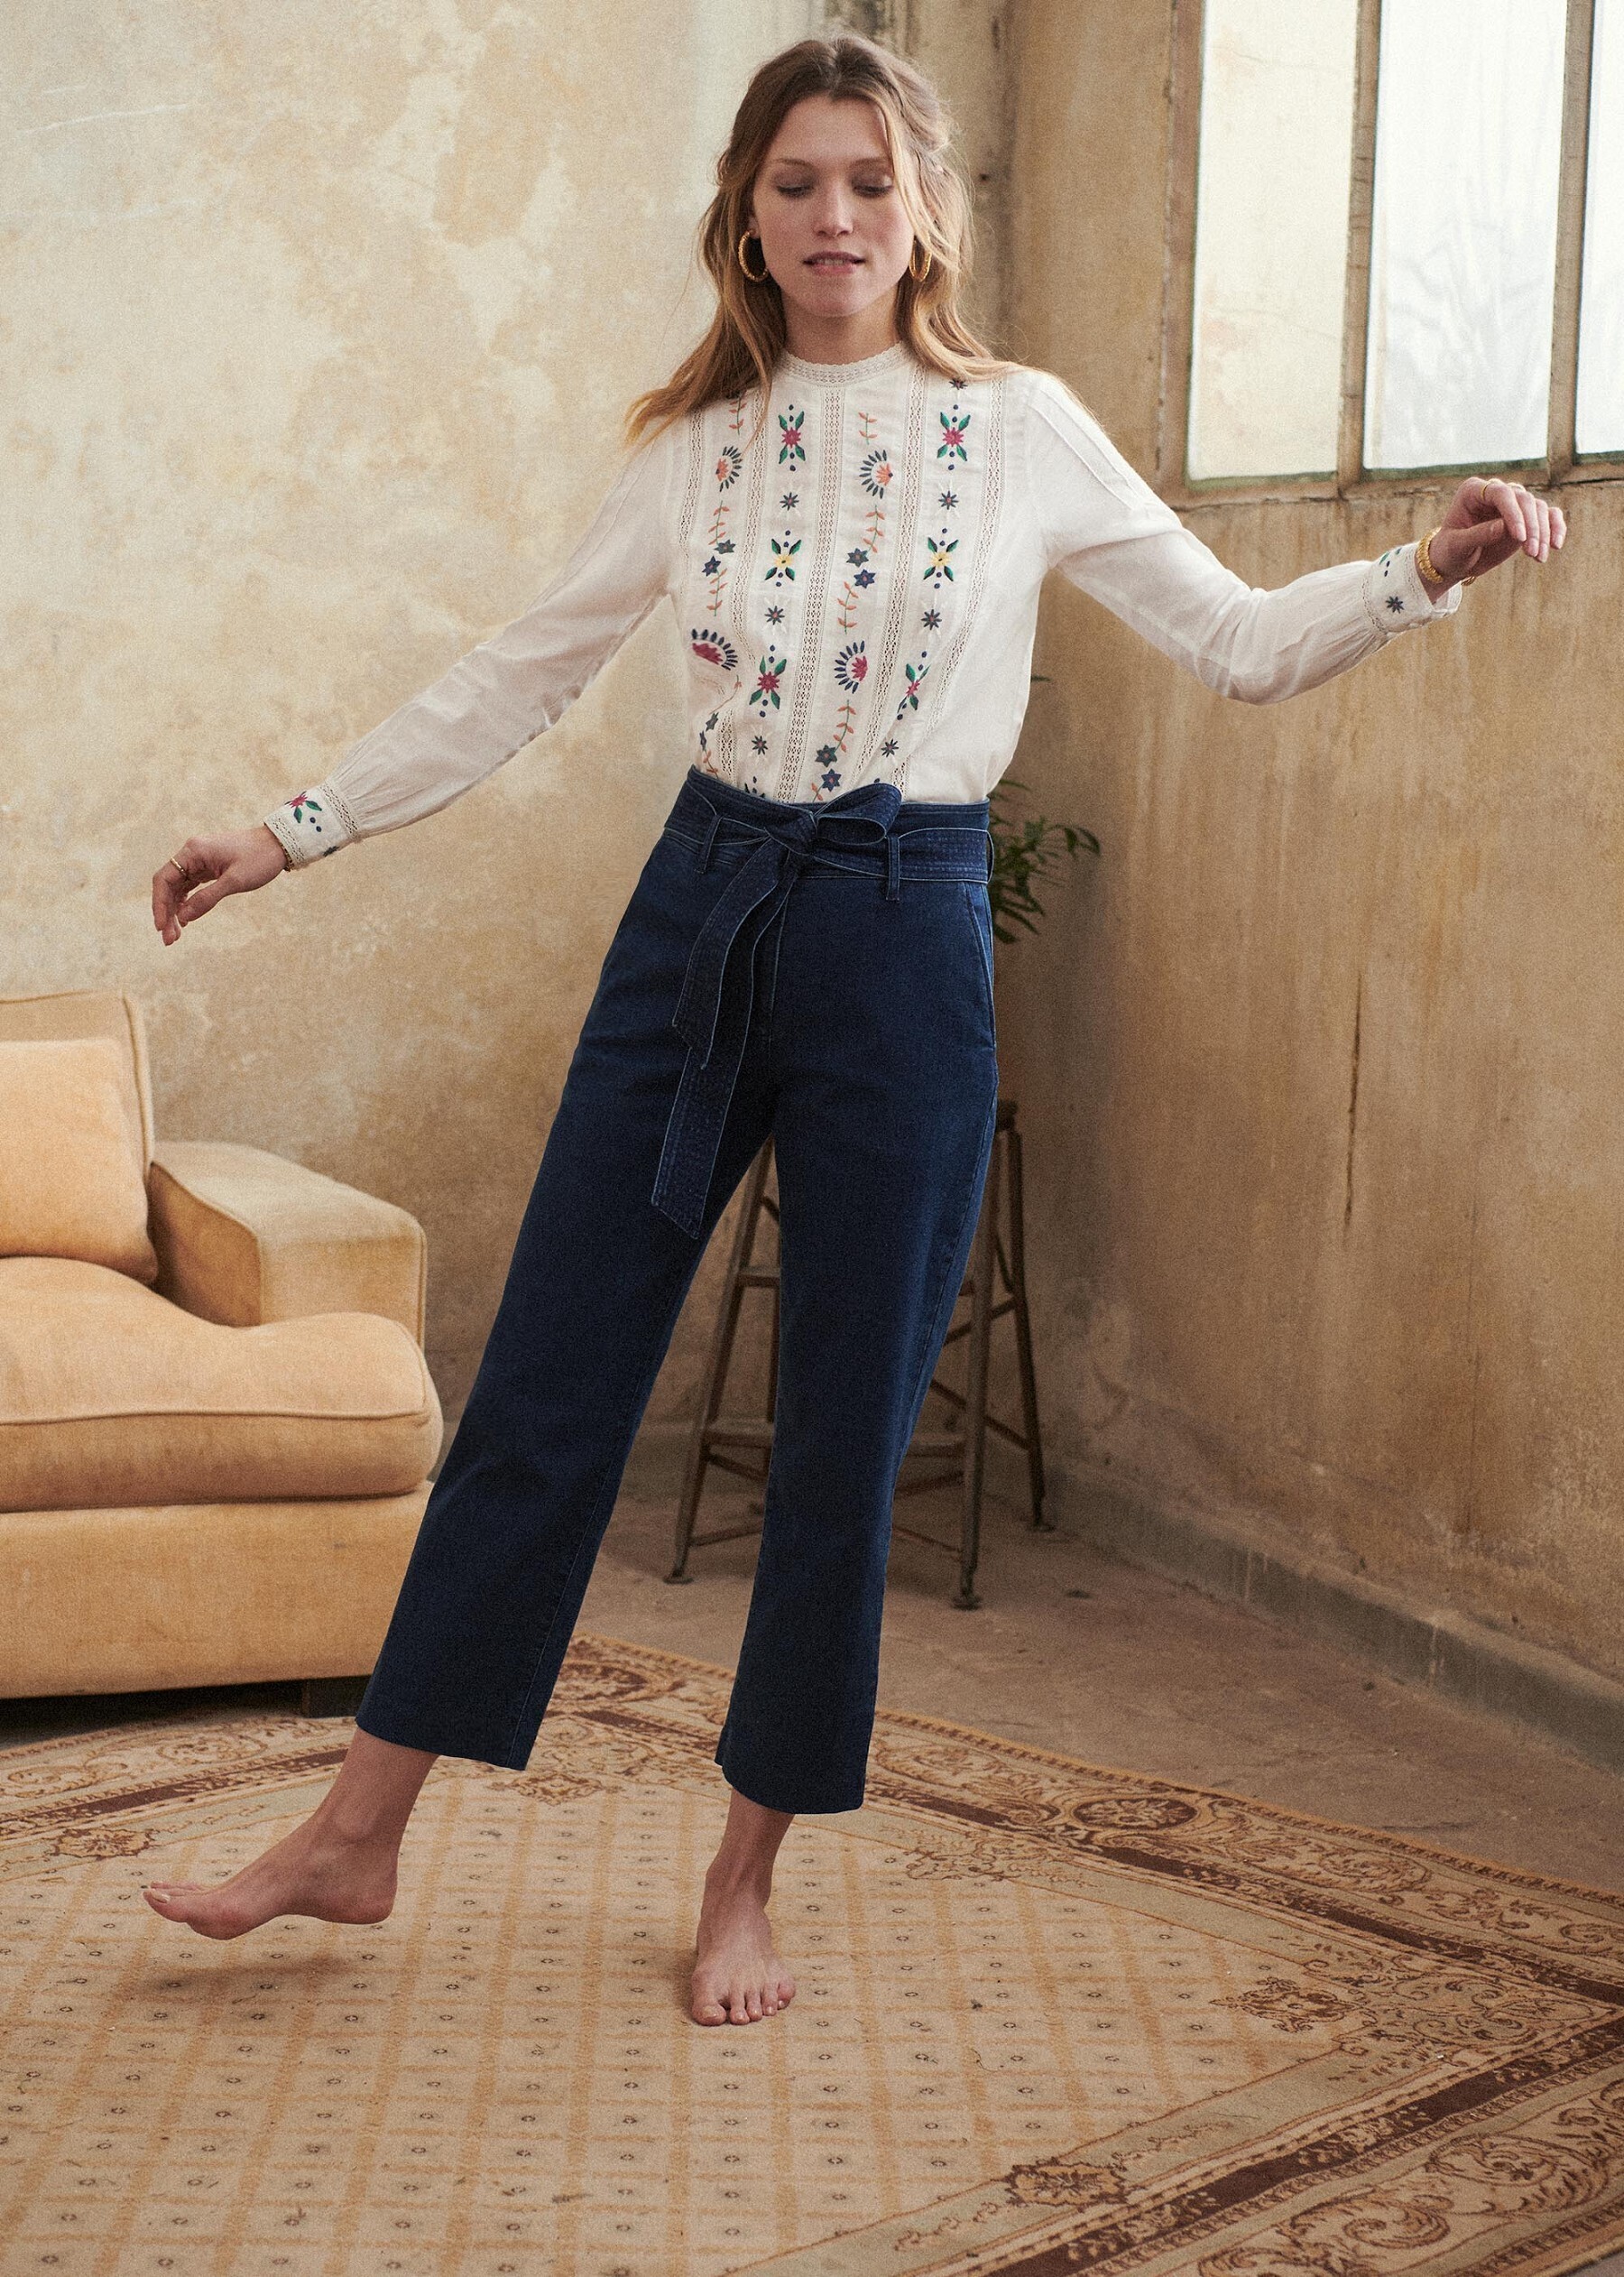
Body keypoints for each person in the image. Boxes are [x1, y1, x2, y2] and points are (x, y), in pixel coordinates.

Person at [142, 31, 1564, 2024]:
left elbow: (1237, 644)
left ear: (926, 214)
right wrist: (287, 833)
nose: (834, 216)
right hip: (702, 910)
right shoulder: (693, 449)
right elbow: (519, 674)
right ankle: (355, 1834)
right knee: (548, 1380)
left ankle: (745, 1880)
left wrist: (1421, 570)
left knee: (843, 1427)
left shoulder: (1022, 430)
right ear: (747, 213)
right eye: (797, 182)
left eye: (870, 183)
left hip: (906, 931)